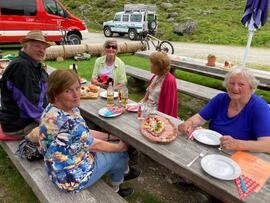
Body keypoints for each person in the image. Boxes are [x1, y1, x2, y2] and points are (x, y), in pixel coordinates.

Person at [39, 69, 139, 197]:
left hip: (56, 167)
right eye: (68, 91)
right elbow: (95, 145)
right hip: (70, 177)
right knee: (120, 154)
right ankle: (117, 187)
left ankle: (121, 173)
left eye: (77, 88)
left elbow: (84, 133)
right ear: (55, 94)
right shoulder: (67, 121)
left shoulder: (53, 109)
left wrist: (111, 136)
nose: (76, 94)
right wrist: (120, 146)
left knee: (114, 145)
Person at [178, 67, 270, 153]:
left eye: (241, 84)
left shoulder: (259, 107)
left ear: (251, 88)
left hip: (241, 155)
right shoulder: (220, 99)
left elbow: (267, 145)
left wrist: (238, 144)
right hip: (212, 147)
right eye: (232, 83)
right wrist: (189, 123)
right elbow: (200, 118)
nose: (235, 88)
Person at [0, 30, 50, 136]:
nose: (42, 50)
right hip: (18, 123)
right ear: (25, 46)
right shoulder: (22, 66)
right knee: (64, 132)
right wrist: (49, 120)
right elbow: (28, 103)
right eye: (37, 46)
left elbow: (46, 89)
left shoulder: (34, 65)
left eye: (44, 48)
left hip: (27, 118)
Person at [140, 51, 178, 118]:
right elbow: (148, 92)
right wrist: (141, 102)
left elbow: (169, 104)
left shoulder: (169, 80)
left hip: (158, 112)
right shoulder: (156, 76)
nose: (149, 64)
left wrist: (162, 118)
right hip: (147, 107)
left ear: (158, 66)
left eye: (152, 63)